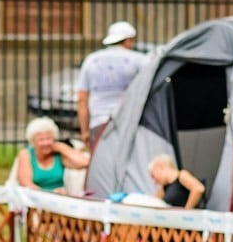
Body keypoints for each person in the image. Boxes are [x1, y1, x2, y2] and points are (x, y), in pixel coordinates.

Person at [76, 20, 148, 148]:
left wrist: (85, 131)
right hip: (129, 122)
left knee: (101, 164)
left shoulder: (91, 60)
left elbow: (82, 99)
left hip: (98, 123)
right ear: (128, 40)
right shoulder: (140, 60)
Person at [15, 116, 90, 193]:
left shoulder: (58, 155)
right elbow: (26, 184)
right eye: (41, 140)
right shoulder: (26, 154)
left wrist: (62, 147)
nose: (46, 143)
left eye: (49, 138)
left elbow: (85, 163)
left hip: (59, 199)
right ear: (33, 142)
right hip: (34, 200)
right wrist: (52, 193)